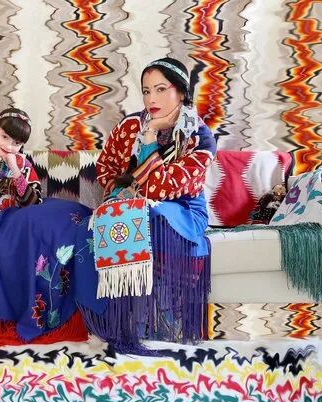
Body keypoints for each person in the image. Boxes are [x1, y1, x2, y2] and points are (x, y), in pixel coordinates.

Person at [73, 57, 217, 353]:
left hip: (183, 208)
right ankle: (116, 324)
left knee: (147, 214)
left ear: (181, 92)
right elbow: (106, 169)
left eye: (161, 89)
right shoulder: (129, 126)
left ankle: (159, 324)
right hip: (133, 202)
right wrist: (121, 191)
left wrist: (150, 135)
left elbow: (160, 189)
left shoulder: (199, 137)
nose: (152, 99)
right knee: (105, 221)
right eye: (147, 91)